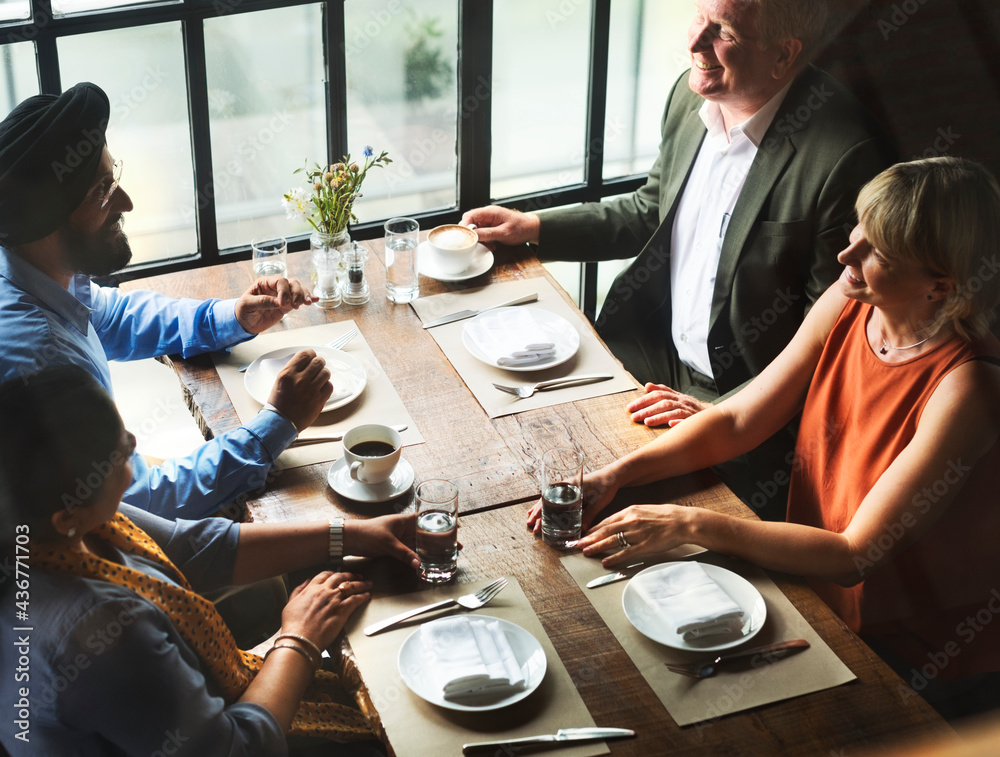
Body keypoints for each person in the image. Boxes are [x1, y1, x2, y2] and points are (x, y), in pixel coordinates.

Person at [541, 157, 1000, 717]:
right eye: (857, 230)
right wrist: (615, 476)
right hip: (809, 581)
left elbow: (856, 554)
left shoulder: (969, 387)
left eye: (876, 251)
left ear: (940, 287)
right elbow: (739, 420)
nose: (846, 255)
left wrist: (687, 521)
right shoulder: (851, 301)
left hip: (914, 648)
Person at [463, 0, 896, 519]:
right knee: (510, 445)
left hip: (743, 411)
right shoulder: (688, 96)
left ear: (783, 55)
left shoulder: (847, 157)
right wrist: (535, 228)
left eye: (725, 32)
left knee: (617, 537)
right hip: (649, 359)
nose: (695, 43)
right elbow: (653, 209)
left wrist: (719, 412)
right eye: (699, 17)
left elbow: (832, 339)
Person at [0, 366, 420, 755]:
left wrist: (348, 535)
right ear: (68, 515)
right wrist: (300, 639)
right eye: (119, 455)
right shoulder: (95, 637)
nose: (132, 443)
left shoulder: (50, 522)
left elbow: (192, 548)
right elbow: (235, 748)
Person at [0, 81, 330, 519]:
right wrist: (278, 422)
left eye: (113, 177)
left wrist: (234, 316)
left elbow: (113, 317)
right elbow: (139, 501)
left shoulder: (32, 271)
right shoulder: (42, 360)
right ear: (46, 221)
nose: (126, 201)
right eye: (102, 191)